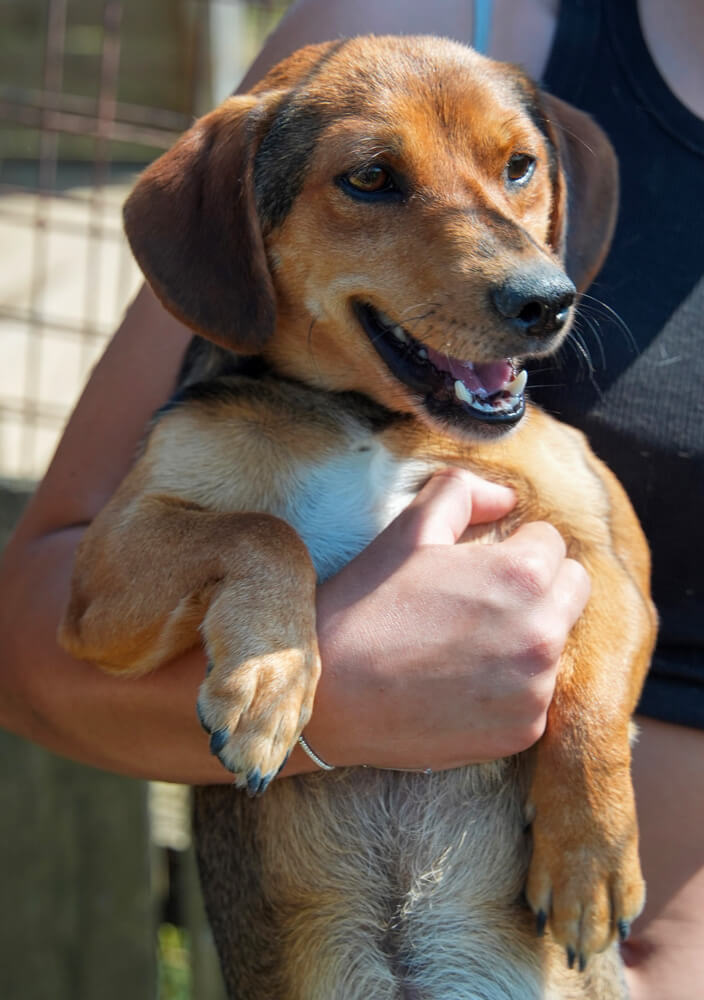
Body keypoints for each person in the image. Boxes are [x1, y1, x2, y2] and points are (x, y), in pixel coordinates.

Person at [0, 1, 701, 997]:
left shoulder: (532, 447)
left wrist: (584, 782)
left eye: (517, 169)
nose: (526, 275)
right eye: (372, 181)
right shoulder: (215, 443)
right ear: (242, 227)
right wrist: (260, 572)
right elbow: (93, 619)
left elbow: (612, 588)